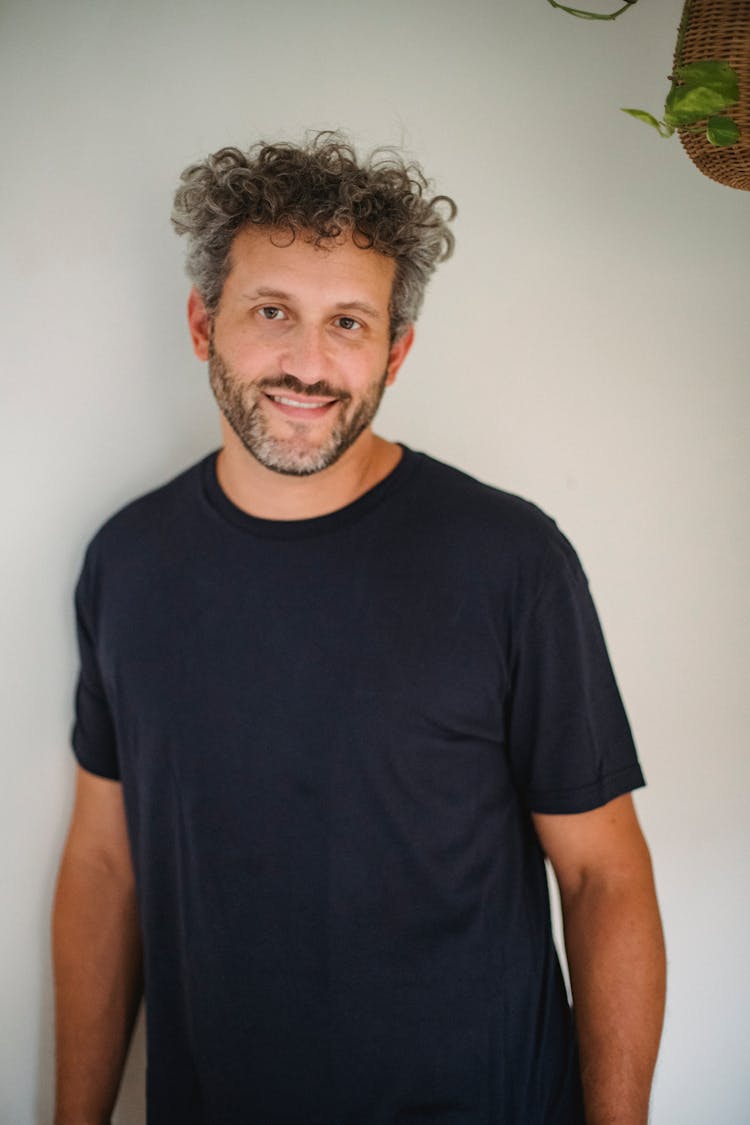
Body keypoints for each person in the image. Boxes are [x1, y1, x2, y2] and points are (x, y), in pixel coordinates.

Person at [53, 132, 666, 1125]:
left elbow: (604, 876)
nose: (308, 363)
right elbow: (103, 865)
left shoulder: (510, 562)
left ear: (397, 349)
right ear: (203, 324)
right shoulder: (127, 563)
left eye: (348, 321)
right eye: (271, 312)